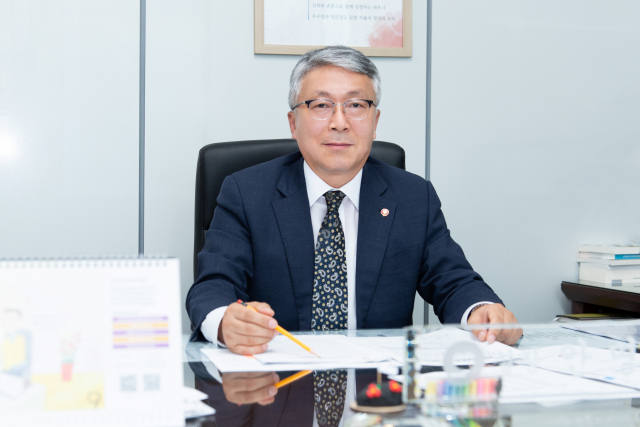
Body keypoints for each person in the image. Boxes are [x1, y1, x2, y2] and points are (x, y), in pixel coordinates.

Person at [186, 45, 522, 356]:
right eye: (321, 105)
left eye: (356, 105)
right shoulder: (246, 193)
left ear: (375, 122)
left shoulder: (413, 198)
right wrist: (224, 321)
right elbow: (213, 285)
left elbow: (454, 281)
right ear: (293, 123)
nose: (339, 122)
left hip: (379, 388)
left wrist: (481, 310)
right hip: (277, 383)